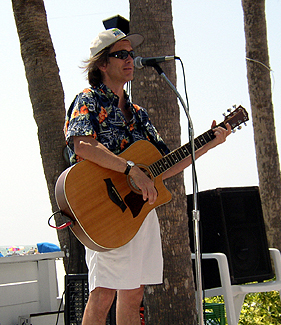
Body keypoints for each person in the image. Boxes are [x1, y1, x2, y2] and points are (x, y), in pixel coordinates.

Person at [64, 28, 231, 325]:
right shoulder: (87, 100)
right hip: (105, 210)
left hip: (138, 213)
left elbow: (163, 165)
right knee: (103, 293)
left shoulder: (138, 113)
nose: (131, 59)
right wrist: (130, 169)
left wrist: (209, 143)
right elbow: (83, 145)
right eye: (122, 54)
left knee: (134, 293)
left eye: (131, 54)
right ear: (102, 64)